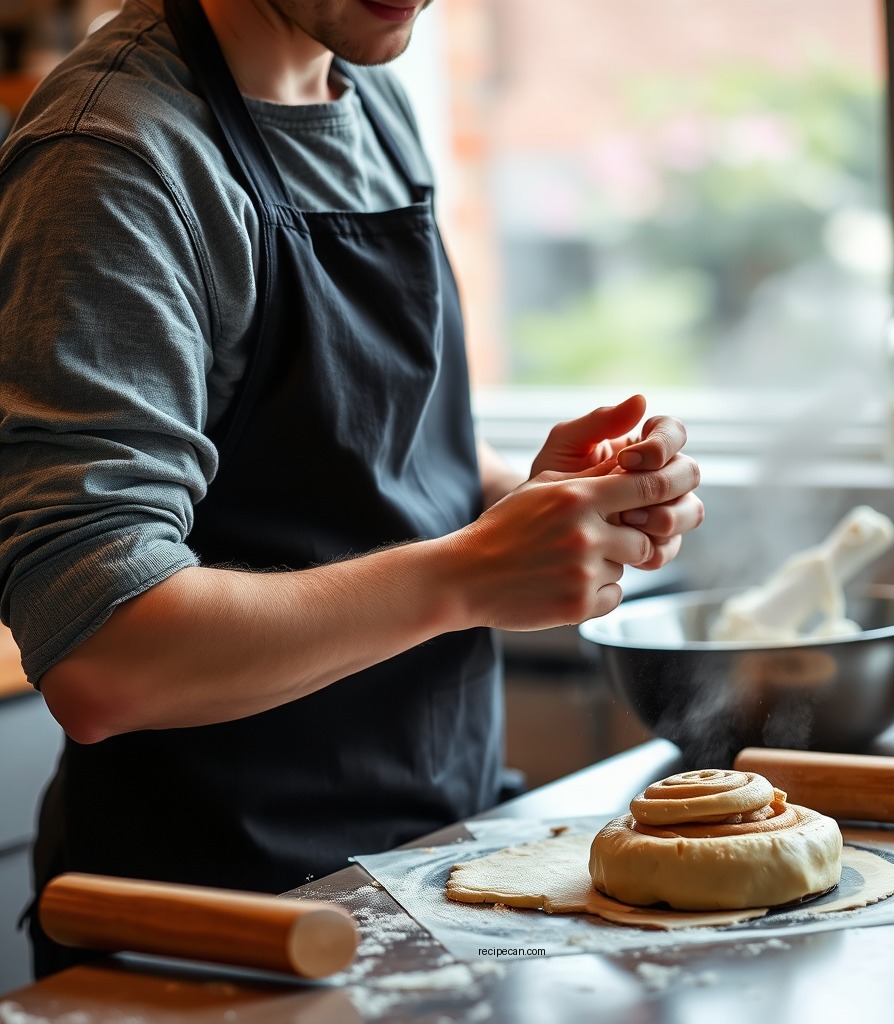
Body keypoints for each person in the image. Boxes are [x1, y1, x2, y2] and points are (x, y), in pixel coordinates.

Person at [0, 0, 704, 978]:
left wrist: (541, 500)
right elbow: (103, 654)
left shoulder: (366, 90)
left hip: (434, 875)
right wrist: (469, 574)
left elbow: (376, 466)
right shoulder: (116, 159)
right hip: (220, 939)